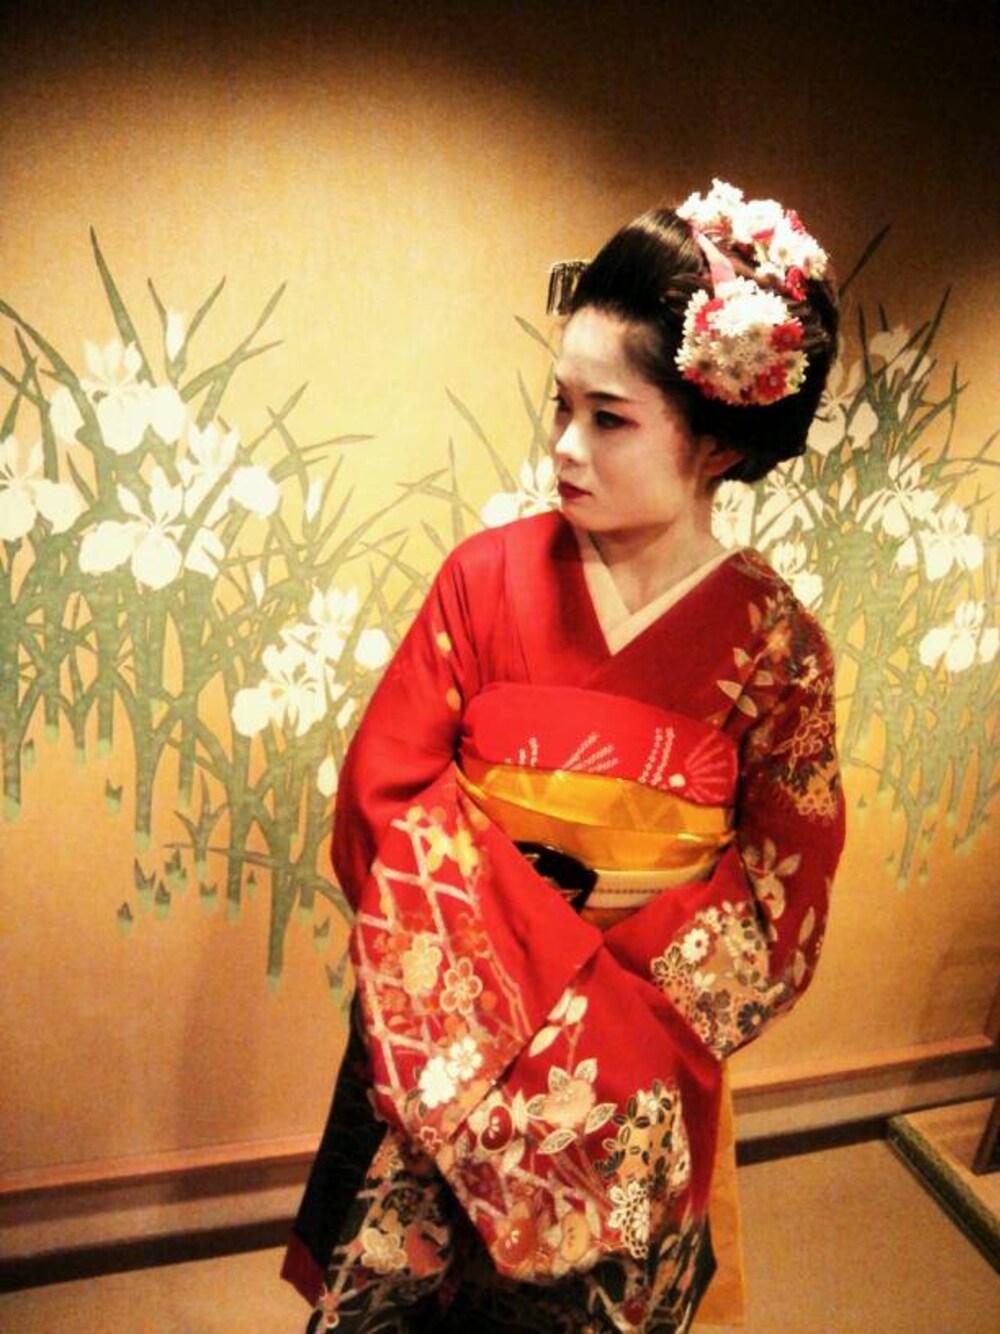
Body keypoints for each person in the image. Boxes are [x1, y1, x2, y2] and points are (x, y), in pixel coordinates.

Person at [282, 179, 846, 1333]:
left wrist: (595, 1038)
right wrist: (523, 1005)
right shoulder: (482, 579)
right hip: (443, 1040)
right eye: (560, 405)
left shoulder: (774, 646)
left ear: (716, 440)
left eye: (608, 417)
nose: (564, 446)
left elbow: (778, 895)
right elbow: (384, 798)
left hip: (628, 1068)